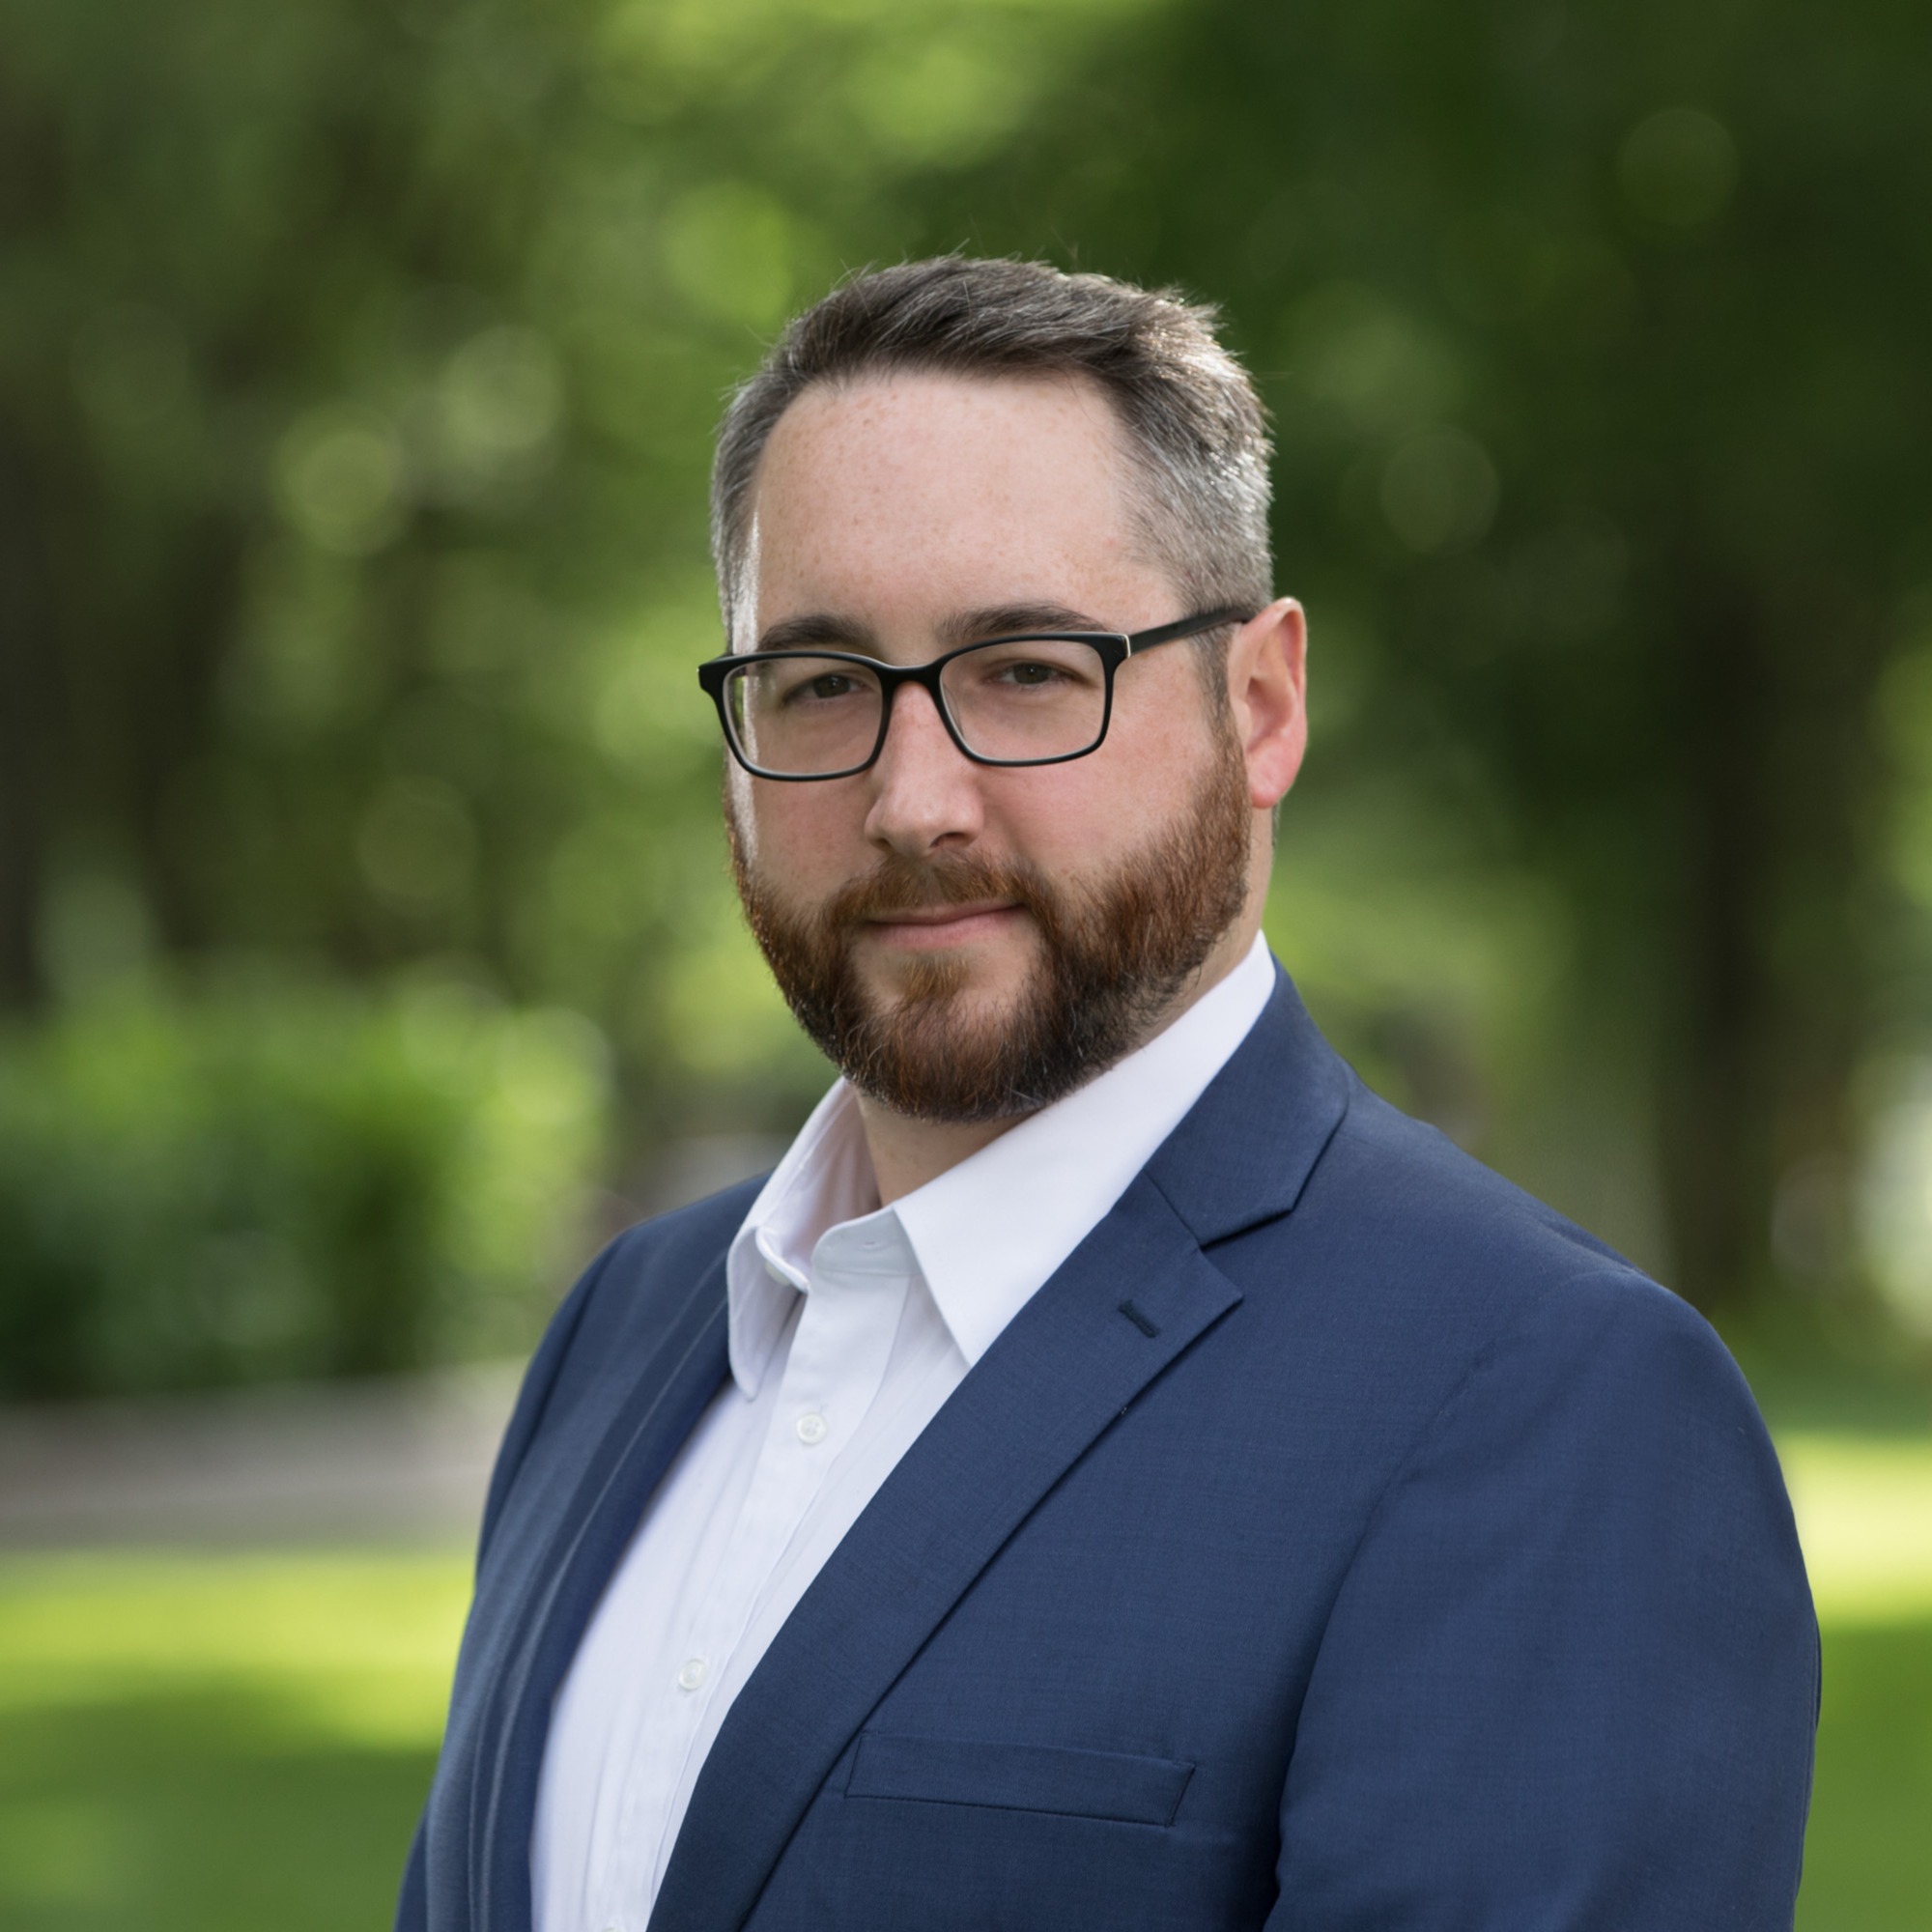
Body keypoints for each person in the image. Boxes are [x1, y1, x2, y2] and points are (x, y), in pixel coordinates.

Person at [398, 257, 1817, 1932]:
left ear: (1262, 704)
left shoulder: (1544, 1404)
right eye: (821, 683)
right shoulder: (630, 1333)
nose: (911, 798)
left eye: (1028, 671)